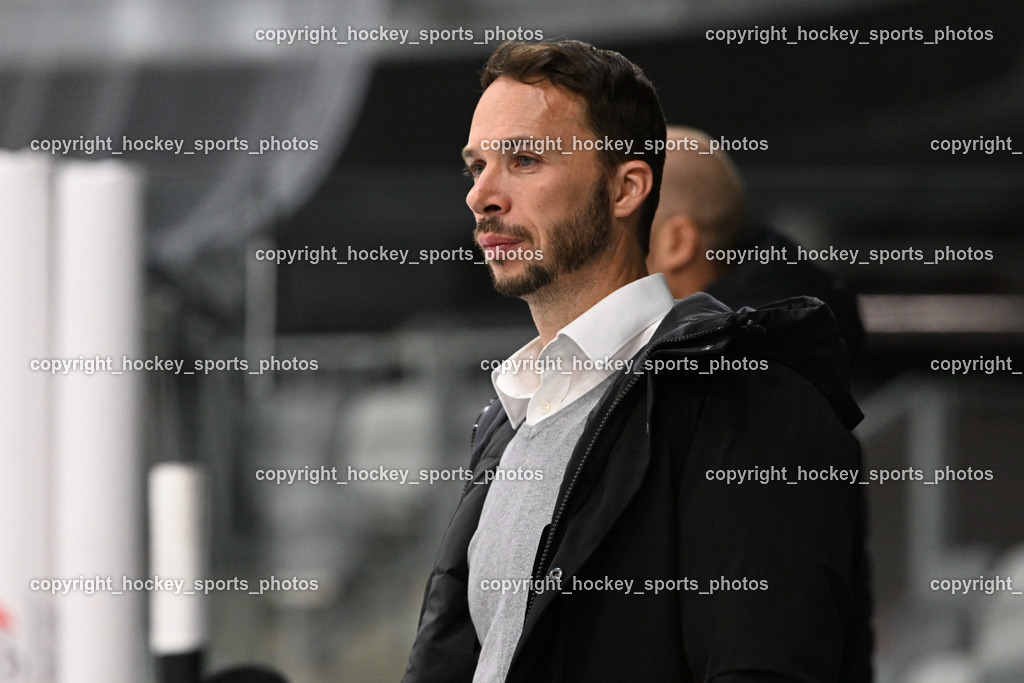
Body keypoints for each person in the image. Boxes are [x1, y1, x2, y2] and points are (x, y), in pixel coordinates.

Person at [404, 40, 872, 682]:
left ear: (626, 188)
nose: (482, 195)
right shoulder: (511, 417)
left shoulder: (745, 399)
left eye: (524, 160)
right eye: (476, 166)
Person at [646, 127, 866, 365]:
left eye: (613, 228)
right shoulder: (770, 348)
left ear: (677, 243)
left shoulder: (714, 374)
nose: (600, 249)